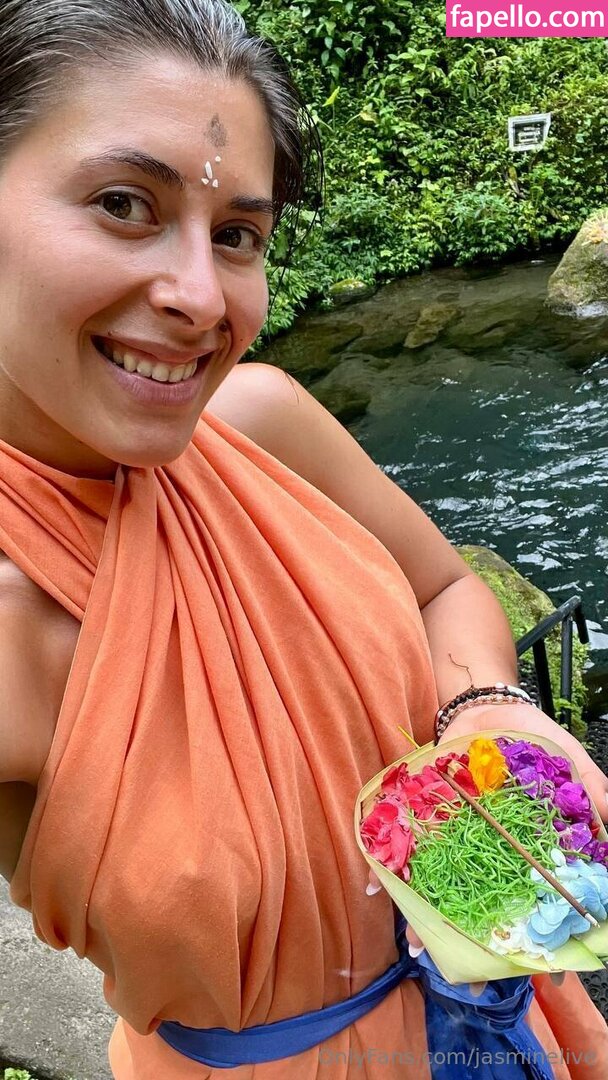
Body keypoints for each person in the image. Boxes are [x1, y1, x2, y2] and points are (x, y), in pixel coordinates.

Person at [0, 2, 606, 1077]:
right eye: (123, 204)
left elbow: (441, 590)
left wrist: (487, 705)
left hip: (506, 1011)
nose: (201, 298)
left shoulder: (260, 423)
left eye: (238, 234)